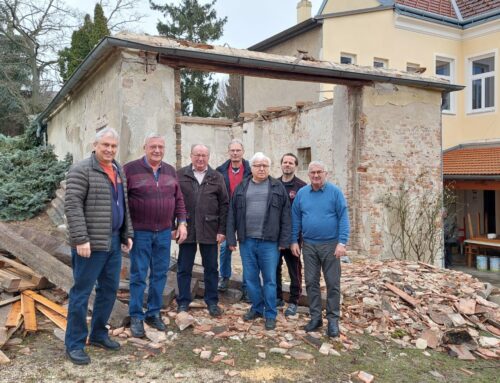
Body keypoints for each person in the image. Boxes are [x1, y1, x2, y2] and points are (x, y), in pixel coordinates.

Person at [64, 127, 134, 365]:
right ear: (95, 145)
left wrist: (127, 233)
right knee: (81, 293)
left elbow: (122, 205)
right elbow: (72, 206)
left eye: (113, 146)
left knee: (108, 290)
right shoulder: (81, 170)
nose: (110, 149)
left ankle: (98, 335)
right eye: (105, 145)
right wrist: (81, 239)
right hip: (90, 245)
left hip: (113, 242)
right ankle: (74, 343)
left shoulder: (118, 169)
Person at [124, 133, 187, 338]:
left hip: (164, 233)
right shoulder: (130, 169)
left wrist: (182, 223)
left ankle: (153, 313)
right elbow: (123, 202)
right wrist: (126, 231)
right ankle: (135, 316)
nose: (157, 150)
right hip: (140, 233)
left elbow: (178, 199)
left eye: (160, 147)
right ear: (145, 147)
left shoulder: (170, 171)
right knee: (139, 275)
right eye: (153, 147)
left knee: (160, 274)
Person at [226, 152, 291, 330]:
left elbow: (286, 216)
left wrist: (284, 241)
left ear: (269, 168)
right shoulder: (242, 187)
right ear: (252, 168)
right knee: (250, 278)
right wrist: (231, 238)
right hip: (247, 241)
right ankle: (256, 307)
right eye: (257, 165)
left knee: (270, 279)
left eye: (264, 166)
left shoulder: (277, 187)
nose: (261, 169)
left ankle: (270, 314)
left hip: (269, 243)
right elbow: (232, 214)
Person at [291, 161, 349, 338]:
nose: (316, 175)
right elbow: (296, 219)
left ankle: (333, 321)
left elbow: (343, 217)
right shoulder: (302, 194)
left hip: (331, 246)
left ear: (326, 173)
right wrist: (294, 240)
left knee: (333, 284)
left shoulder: (335, 193)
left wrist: (342, 242)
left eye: (319, 172)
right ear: (308, 175)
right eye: (312, 173)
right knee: (311, 282)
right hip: (308, 245)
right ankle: (315, 318)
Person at [176, 144, 229, 316]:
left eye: (204, 155)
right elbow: (173, 201)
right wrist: (173, 226)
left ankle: (212, 301)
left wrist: (222, 230)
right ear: (190, 156)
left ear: (208, 157)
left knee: (211, 267)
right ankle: (183, 301)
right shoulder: (180, 175)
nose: (200, 158)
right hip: (187, 228)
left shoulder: (216, 176)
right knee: (184, 267)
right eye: (197, 155)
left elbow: (224, 205)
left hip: (210, 229)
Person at [216, 139, 251, 300]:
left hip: (246, 215)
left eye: (238, 150)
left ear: (242, 152)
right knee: (224, 247)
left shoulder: (251, 170)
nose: (235, 153)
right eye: (232, 150)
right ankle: (224, 277)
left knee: (247, 250)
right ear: (228, 152)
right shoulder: (220, 171)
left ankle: (247, 284)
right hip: (227, 214)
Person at [276, 153, 307, 316]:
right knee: (274, 267)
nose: (287, 165)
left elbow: (304, 213)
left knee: (294, 268)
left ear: (295, 166)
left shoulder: (302, 187)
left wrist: (297, 237)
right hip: (275, 235)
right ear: (281, 165)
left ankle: (294, 301)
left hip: (293, 236)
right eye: (285, 162)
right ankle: (277, 297)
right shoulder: (273, 184)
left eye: (291, 162)